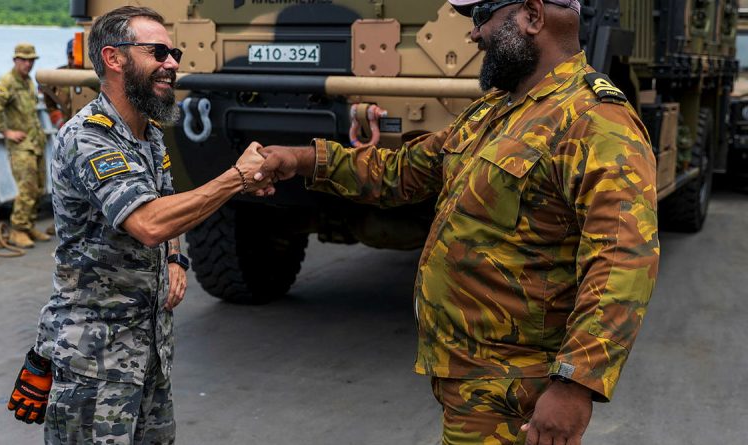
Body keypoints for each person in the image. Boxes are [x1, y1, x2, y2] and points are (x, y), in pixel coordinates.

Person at [256, 1, 660, 444]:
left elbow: (622, 259)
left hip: (514, 386)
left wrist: (575, 384)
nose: (474, 35)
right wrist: (301, 160)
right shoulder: (496, 109)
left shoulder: (596, 119)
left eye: (480, 17)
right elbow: (404, 171)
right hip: (466, 373)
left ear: (532, 15)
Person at [5, 6, 270, 443]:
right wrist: (236, 178)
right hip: (94, 364)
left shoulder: (148, 135)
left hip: (148, 353)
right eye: (159, 52)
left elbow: (165, 200)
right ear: (114, 58)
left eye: (175, 53)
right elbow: (148, 222)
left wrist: (176, 258)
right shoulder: (89, 137)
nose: (172, 64)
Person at [0, 43, 51, 248]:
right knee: (27, 189)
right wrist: (6, 132)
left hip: (35, 142)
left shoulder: (28, 82)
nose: (28, 64)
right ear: (15, 60)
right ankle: (18, 229)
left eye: (31, 60)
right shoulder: (8, 81)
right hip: (22, 146)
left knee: (39, 188)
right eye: (23, 59)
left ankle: (29, 225)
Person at [41, 39, 75, 129]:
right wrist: (56, 117)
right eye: (71, 56)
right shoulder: (59, 74)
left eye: (78, 57)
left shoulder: (95, 74)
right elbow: (47, 94)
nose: (74, 61)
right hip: (67, 126)